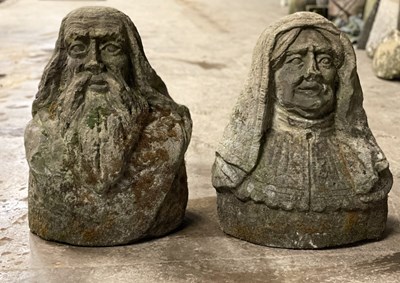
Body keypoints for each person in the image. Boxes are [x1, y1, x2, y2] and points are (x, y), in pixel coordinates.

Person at [212, 12, 392, 248]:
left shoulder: (366, 167)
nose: (312, 71)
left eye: (325, 61)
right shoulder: (236, 165)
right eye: (296, 60)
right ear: (268, 74)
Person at [25, 7, 192, 246]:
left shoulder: (170, 134)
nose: (94, 63)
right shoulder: (39, 137)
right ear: (61, 62)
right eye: (78, 49)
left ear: (133, 62)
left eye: (111, 48)